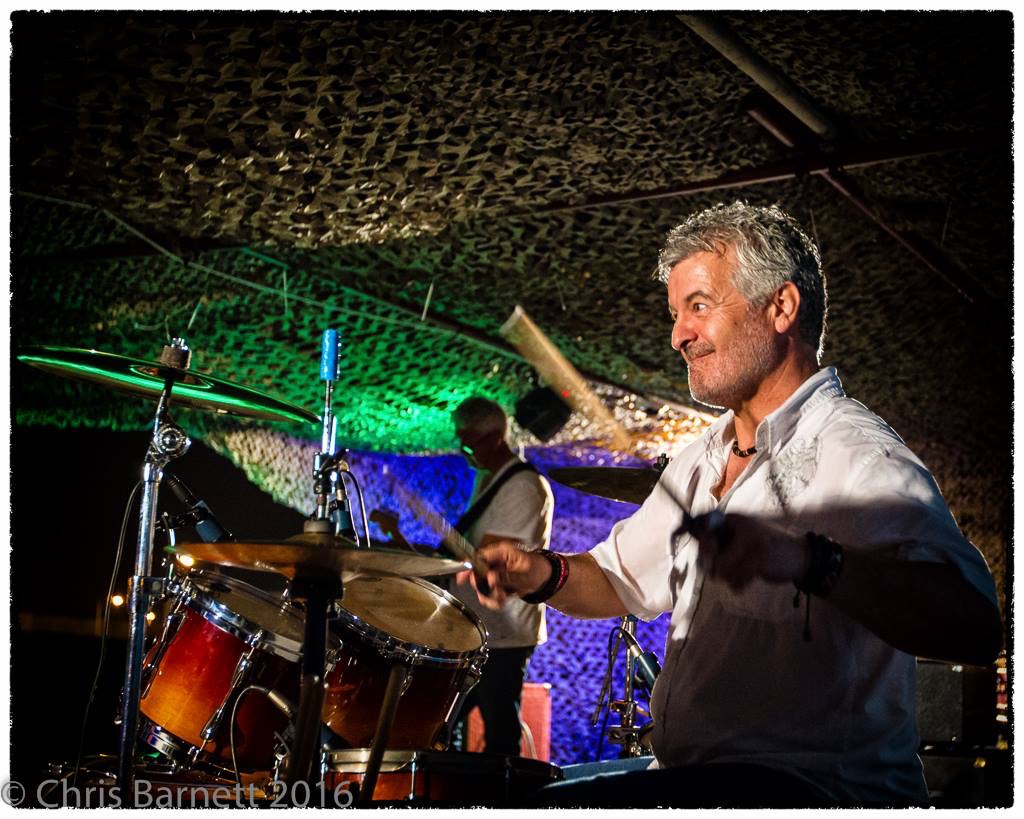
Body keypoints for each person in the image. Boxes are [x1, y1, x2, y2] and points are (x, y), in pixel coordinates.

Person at [460, 202, 1002, 807]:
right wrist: (539, 573)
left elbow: (976, 628)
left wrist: (810, 561)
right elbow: (616, 579)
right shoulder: (700, 459)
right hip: (697, 777)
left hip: (814, 791)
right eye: (675, 314)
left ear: (781, 307)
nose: (678, 335)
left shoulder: (858, 455)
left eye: (698, 306)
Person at [446, 397, 554, 757]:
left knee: (499, 734)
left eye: (469, 444)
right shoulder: (488, 478)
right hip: (482, 627)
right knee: (448, 722)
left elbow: (492, 554)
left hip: (504, 631)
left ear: (494, 437)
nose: (464, 453)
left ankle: (501, 790)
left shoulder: (523, 486)